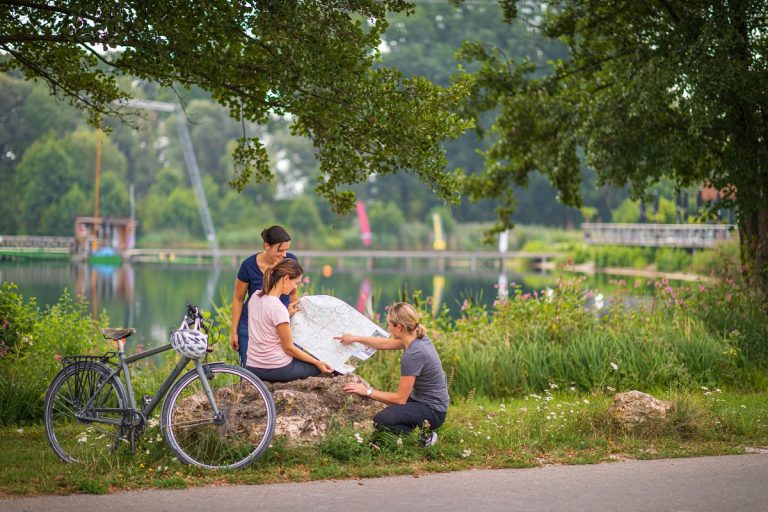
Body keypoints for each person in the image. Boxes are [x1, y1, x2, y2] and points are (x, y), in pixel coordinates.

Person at [336, 302, 449, 446]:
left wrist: (367, 391)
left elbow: (400, 399)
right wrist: (355, 338)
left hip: (433, 411)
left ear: (399, 327)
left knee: (382, 421)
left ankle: (424, 439)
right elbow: (384, 344)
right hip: (422, 401)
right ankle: (418, 430)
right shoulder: (417, 337)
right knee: (390, 414)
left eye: (390, 324)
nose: (388, 327)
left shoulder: (413, 354)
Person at [245, 258, 333, 382]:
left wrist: (286, 313)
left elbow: (265, 321)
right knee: (324, 366)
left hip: (253, 366)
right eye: (295, 282)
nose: (295, 288)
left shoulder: (255, 297)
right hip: (276, 369)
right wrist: (317, 362)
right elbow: (289, 348)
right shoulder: (278, 308)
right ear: (286, 279)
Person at [230, 226, 297, 367]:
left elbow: (293, 291)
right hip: (249, 327)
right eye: (280, 250)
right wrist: (234, 331)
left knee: (277, 368)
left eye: (287, 249)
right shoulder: (248, 265)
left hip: (279, 325)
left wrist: (295, 316)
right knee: (248, 371)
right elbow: (238, 299)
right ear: (266, 246)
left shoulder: (290, 261)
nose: (284, 255)